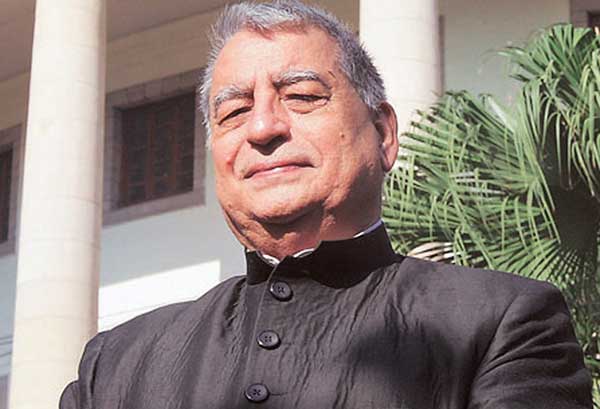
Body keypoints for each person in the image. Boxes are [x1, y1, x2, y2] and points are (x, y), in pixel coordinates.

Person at [60, 1, 593, 408]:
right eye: (234, 111)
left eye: (301, 96)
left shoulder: (501, 323)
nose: (263, 128)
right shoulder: (116, 365)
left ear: (383, 133)